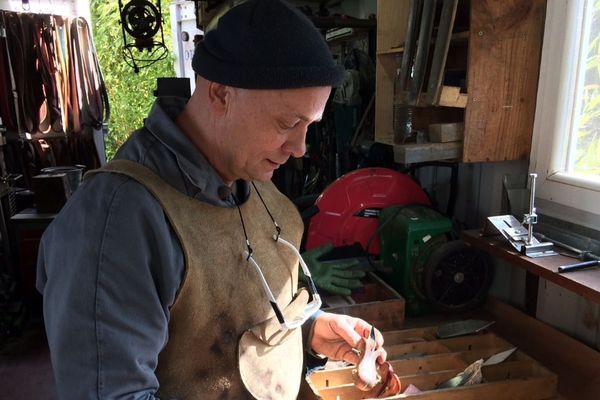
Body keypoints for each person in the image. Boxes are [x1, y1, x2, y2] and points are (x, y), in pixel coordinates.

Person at [36, 0, 385, 399]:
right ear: (220, 93)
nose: (301, 147)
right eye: (288, 122)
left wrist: (309, 329)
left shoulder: (251, 180)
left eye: (310, 125)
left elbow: (241, 313)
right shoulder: (116, 223)